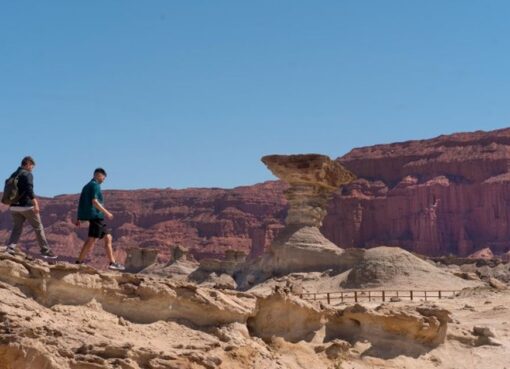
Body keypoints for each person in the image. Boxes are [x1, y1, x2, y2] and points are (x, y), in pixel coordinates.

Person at [4, 156, 57, 258]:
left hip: (14, 207)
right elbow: (29, 189)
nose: (32, 168)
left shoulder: (14, 174)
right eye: (32, 166)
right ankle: (45, 251)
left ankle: (10, 248)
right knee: (38, 227)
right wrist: (35, 203)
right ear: (28, 163)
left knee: (17, 228)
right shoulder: (27, 174)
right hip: (26, 206)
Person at [75, 168, 124, 271]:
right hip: (96, 216)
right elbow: (94, 202)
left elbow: (82, 203)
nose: (103, 180)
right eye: (103, 178)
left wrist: (80, 217)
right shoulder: (95, 185)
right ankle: (79, 262)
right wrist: (107, 213)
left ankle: (112, 262)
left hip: (94, 217)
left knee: (107, 237)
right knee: (92, 240)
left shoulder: (87, 186)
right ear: (98, 175)